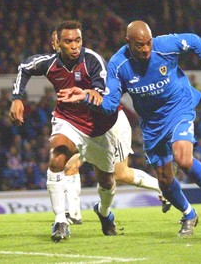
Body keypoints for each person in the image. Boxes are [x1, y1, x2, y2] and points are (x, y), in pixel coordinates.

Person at [57, 20, 201, 237]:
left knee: (184, 158)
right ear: (128, 42)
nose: (146, 49)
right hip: (152, 124)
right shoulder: (118, 65)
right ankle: (189, 214)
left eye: (148, 43)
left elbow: (195, 41)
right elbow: (109, 105)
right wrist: (85, 96)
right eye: (140, 45)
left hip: (178, 107)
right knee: (165, 179)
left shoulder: (165, 45)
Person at [9, 20, 164, 243]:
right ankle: (61, 220)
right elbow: (24, 67)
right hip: (69, 121)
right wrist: (17, 98)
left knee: (109, 180)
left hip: (101, 128)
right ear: (57, 44)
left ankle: (103, 212)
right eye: (68, 41)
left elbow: (104, 93)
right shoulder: (51, 64)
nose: (74, 46)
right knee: (57, 159)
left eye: (78, 40)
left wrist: (84, 93)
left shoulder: (93, 61)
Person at [50, 31, 171, 225]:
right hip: (82, 128)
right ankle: (74, 214)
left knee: (120, 174)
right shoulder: (57, 68)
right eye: (62, 41)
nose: (69, 45)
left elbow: (105, 94)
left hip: (110, 125)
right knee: (70, 164)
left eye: (74, 41)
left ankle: (163, 189)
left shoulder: (90, 62)